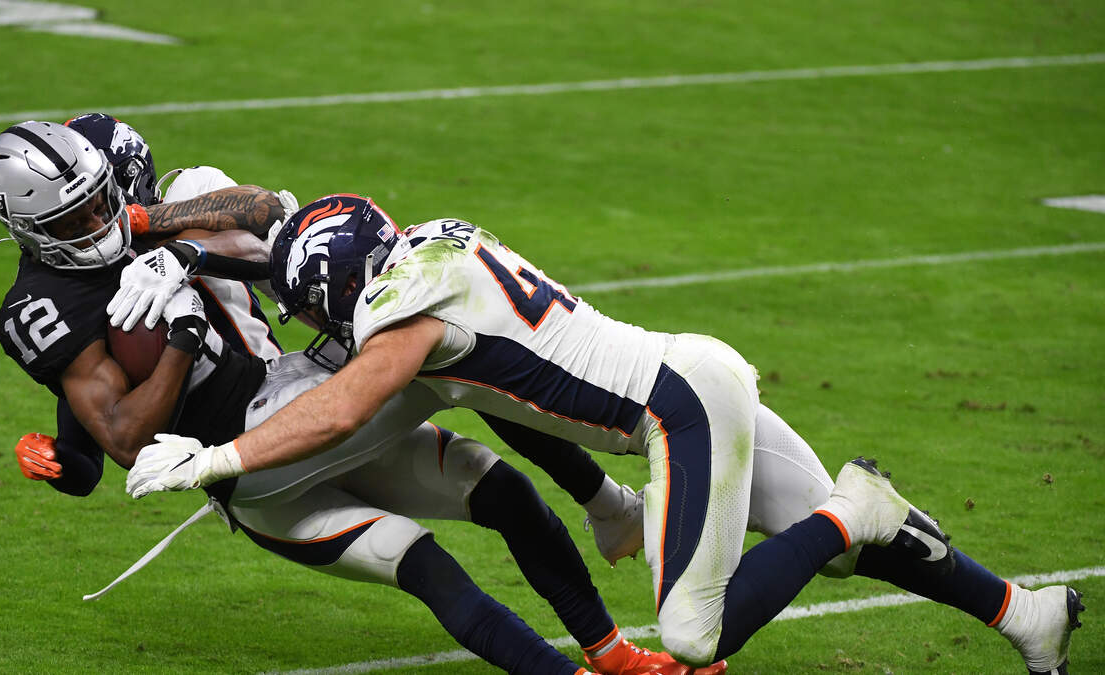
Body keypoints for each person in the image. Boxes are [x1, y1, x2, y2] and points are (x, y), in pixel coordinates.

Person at [126, 194, 1084, 672]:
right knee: (824, 548)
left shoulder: (400, 317)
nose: (316, 327)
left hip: (677, 413)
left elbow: (337, 408)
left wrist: (215, 457)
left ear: (342, 289)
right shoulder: (428, 244)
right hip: (695, 373)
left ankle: (859, 506)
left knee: (697, 631)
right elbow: (510, 402)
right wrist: (174, 239)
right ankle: (1023, 613)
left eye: (315, 308)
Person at [0, 119, 724, 675]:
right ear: (27, 227)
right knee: (424, 546)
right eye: (74, 220)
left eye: (108, 202)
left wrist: (172, 243)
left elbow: (268, 219)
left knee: (499, 481)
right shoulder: (42, 306)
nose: (101, 225)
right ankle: (610, 516)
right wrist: (178, 340)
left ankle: (615, 647)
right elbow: (113, 439)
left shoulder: (173, 205)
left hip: (292, 383)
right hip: (254, 471)